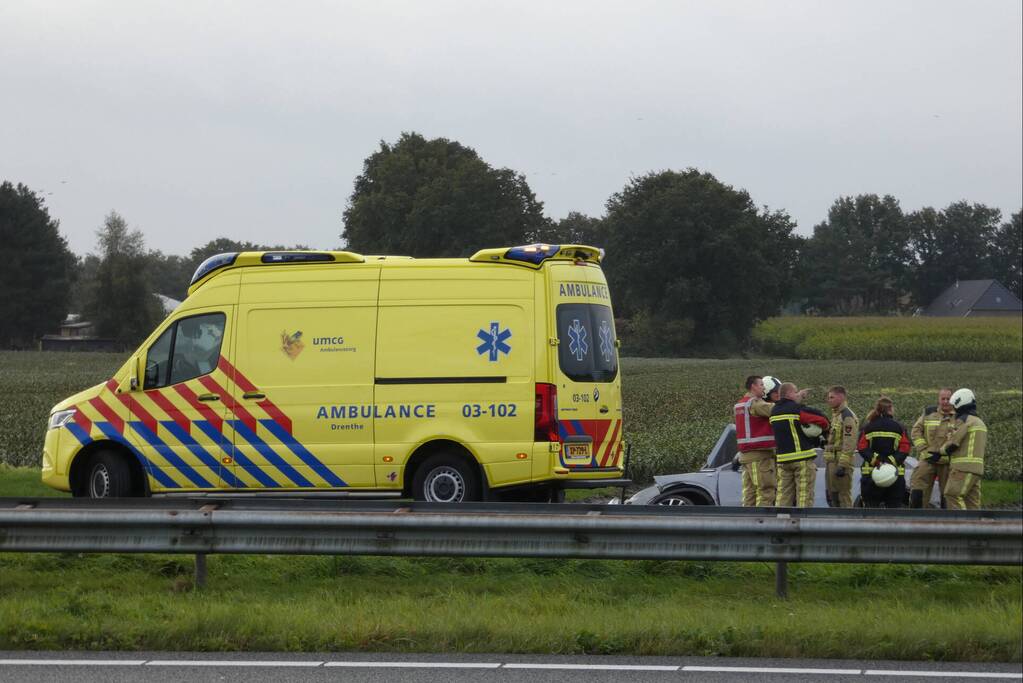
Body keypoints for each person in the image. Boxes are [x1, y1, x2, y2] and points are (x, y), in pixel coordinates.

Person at [770, 382, 830, 507]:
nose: (797, 394)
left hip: (782, 460)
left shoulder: (774, 411)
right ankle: (803, 522)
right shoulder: (797, 410)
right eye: (796, 392)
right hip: (801, 458)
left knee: (783, 494)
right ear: (790, 393)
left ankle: (781, 522)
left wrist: (799, 397)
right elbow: (822, 421)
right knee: (804, 494)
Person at [857, 396, 911, 508]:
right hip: (895, 476)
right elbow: (905, 448)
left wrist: (878, 462)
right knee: (894, 511)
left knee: (871, 509)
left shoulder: (867, 427)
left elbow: (862, 447)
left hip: (872, 475)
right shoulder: (899, 427)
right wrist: (890, 462)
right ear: (890, 409)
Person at [938, 388, 988, 510]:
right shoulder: (979, 422)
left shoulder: (964, 420)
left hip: (962, 468)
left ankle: (962, 526)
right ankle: (977, 528)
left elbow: (953, 443)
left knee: (952, 495)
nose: (954, 409)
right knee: (972, 502)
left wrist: (940, 452)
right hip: (976, 469)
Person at [908, 388, 956, 508]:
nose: (945, 401)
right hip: (928, 458)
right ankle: (917, 519)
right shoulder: (929, 413)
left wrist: (945, 454)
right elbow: (916, 431)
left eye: (948, 399)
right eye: (943, 399)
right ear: (938, 399)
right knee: (918, 487)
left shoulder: (959, 416)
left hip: (947, 462)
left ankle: (948, 521)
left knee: (948, 493)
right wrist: (924, 450)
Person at [733, 375, 777, 507]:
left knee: (749, 492)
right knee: (766, 491)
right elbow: (776, 410)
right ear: (753, 386)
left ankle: (748, 522)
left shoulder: (740, 404)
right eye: (761, 385)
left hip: (746, 456)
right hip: (760, 455)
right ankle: (762, 523)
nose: (764, 388)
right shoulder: (755, 403)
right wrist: (791, 400)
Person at [823, 386, 858, 507]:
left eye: (832, 397)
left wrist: (843, 465)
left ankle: (847, 522)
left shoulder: (846, 416)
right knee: (833, 496)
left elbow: (850, 441)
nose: (829, 400)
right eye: (828, 397)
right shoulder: (836, 415)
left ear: (841, 397)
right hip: (832, 461)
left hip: (841, 462)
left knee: (843, 496)